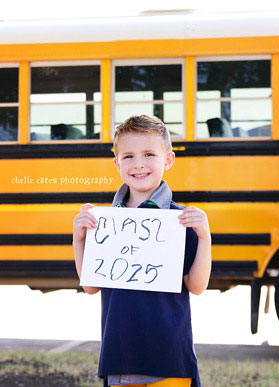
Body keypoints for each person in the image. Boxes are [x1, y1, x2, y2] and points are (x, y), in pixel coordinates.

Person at [73, 115, 212, 387]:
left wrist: (205, 238)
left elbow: (196, 286)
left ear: (168, 160)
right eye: (128, 156)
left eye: (149, 154)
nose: (138, 164)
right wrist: (79, 240)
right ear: (116, 163)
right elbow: (90, 287)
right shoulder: (106, 223)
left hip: (170, 357)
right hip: (120, 356)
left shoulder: (181, 220)